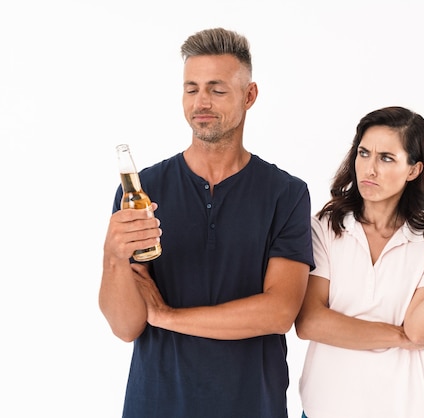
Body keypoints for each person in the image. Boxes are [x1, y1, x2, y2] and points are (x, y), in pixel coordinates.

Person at [99, 27, 314, 418]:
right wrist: (113, 257)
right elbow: (126, 326)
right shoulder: (143, 191)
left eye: (217, 90)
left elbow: (279, 312)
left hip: (252, 406)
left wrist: (166, 316)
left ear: (249, 96)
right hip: (156, 404)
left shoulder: (286, 193)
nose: (201, 102)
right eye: (191, 88)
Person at [294, 106, 424, 418]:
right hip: (324, 410)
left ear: (414, 170)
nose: (370, 169)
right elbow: (310, 322)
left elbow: (420, 331)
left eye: (386, 158)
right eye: (363, 153)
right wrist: (399, 335)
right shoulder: (324, 228)